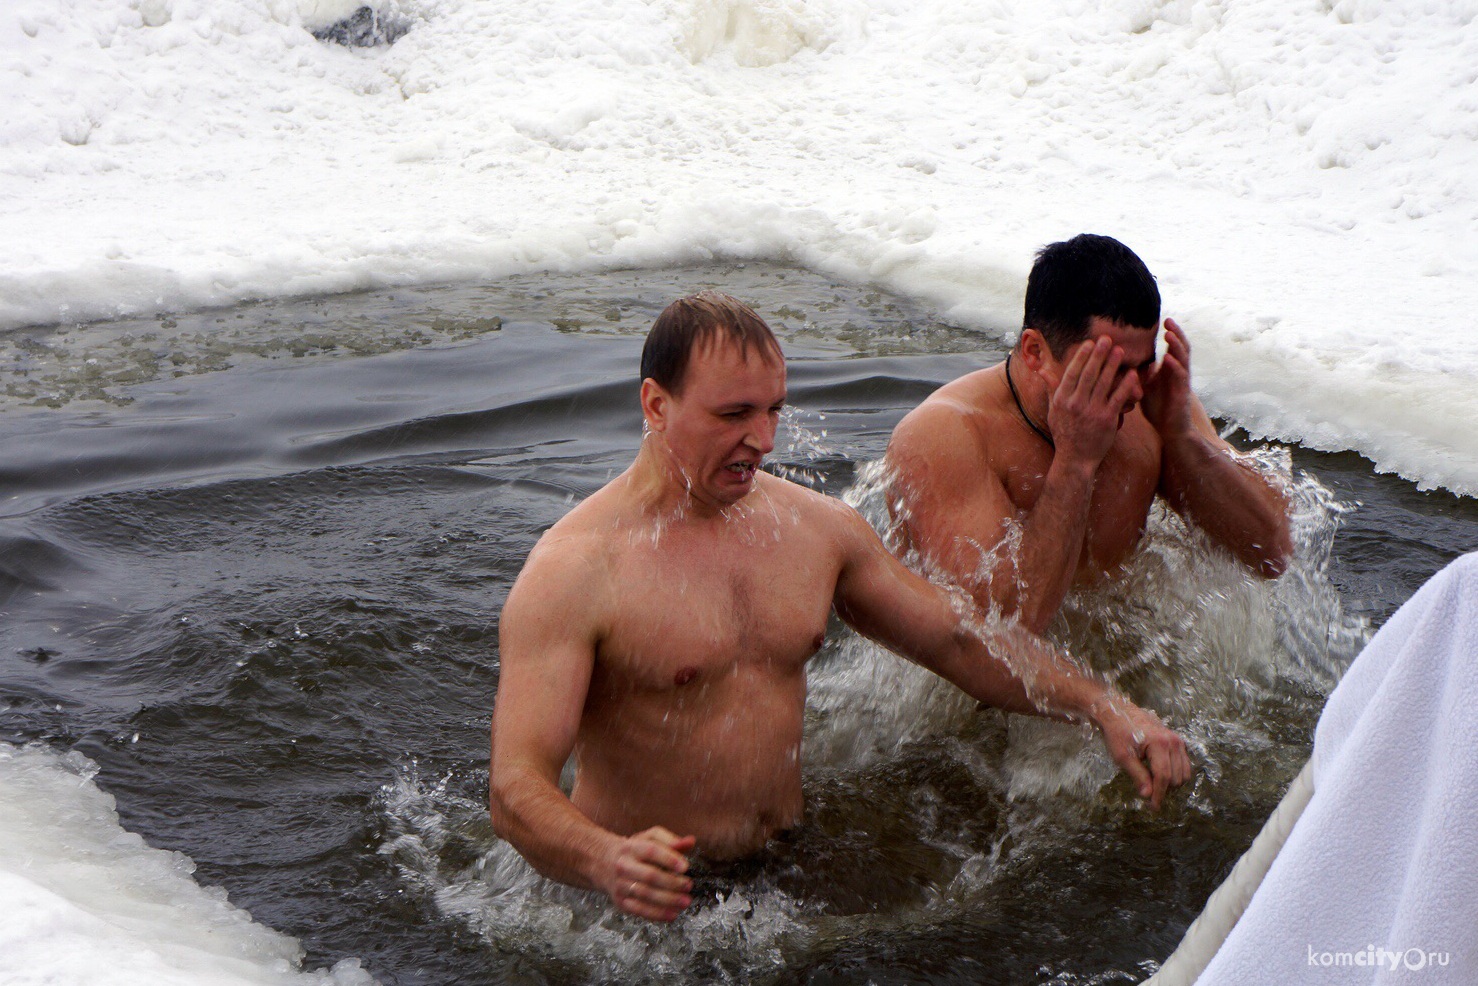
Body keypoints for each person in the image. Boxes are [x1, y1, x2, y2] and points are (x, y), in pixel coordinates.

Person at [489, 291, 1192, 924]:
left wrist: (1104, 705)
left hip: (788, 869)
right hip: (637, 906)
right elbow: (516, 785)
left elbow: (958, 638)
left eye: (773, 411)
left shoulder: (814, 530)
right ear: (655, 404)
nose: (762, 440)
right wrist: (606, 859)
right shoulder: (575, 570)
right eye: (733, 414)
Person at [884, 234, 1293, 636]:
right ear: (1035, 352)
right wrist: (1075, 462)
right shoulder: (945, 434)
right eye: (1108, 368)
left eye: (1142, 364)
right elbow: (997, 638)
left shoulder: (1150, 406)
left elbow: (1271, 554)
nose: (1134, 390)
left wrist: (1182, 438)